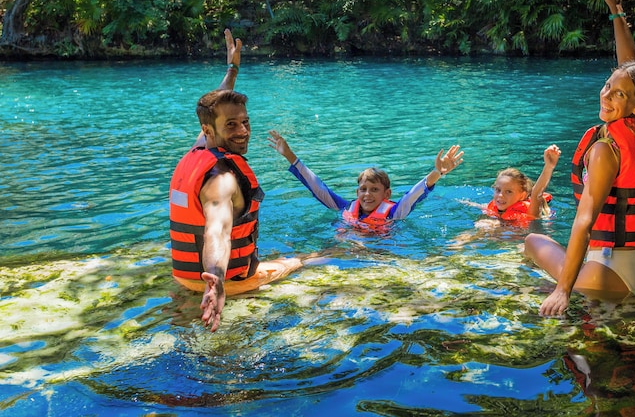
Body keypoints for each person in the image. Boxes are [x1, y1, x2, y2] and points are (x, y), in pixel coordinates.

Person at [524, 0, 635, 316]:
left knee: (533, 241)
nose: (606, 95)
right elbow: (634, 75)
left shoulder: (605, 147)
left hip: (611, 275)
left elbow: (585, 218)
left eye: (617, 94)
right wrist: (617, 13)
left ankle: (561, 286)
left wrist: (562, 292)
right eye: (608, 85)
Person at [168, 30, 303, 332]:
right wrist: (216, 280)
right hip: (222, 282)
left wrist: (232, 70)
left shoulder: (200, 149)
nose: (243, 131)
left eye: (245, 122)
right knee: (312, 258)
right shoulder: (223, 177)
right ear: (211, 129)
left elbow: (214, 107)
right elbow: (218, 230)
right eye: (232, 125)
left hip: (183, 277)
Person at [268, 130, 463, 226]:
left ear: (387, 194)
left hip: (382, 253)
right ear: (357, 192)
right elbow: (318, 187)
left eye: (374, 189)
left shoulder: (395, 213)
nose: (367, 194)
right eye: (363, 189)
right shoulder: (346, 208)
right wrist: (289, 155)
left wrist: (438, 172)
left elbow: (415, 194)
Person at [484, 144, 562, 224]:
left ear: (522, 195)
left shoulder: (529, 212)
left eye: (509, 192)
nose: (500, 195)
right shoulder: (493, 207)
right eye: (498, 190)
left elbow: (537, 192)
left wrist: (549, 166)